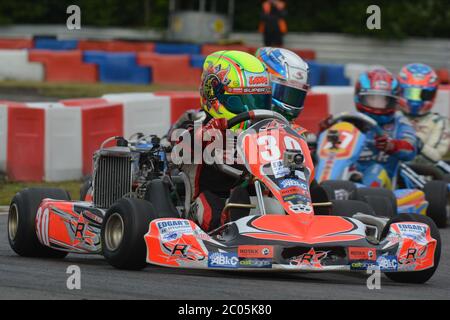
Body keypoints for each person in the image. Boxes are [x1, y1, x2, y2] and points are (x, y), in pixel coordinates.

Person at [173, 50, 273, 232]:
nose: (250, 109)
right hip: (210, 202)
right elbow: (179, 152)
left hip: (259, 202)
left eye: (258, 101)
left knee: (315, 193)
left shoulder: (265, 134)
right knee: (237, 199)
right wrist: (208, 134)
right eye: (239, 101)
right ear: (214, 95)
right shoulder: (196, 129)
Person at [351, 68, 418, 188]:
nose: (377, 104)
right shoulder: (349, 120)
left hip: (385, 182)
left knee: (375, 170)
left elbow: (411, 148)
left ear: (392, 101)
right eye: (372, 98)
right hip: (349, 174)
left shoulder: (400, 123)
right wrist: (324, 132)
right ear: (359, 98)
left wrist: (391, 145)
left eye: (382, 100)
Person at [397, 63, 450, 164]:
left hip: (421, 174)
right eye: (410, 93)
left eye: (421, 94)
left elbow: (436, 156)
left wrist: (413, 141)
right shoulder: (394, 117)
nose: (415, 100)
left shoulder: (438, 122)